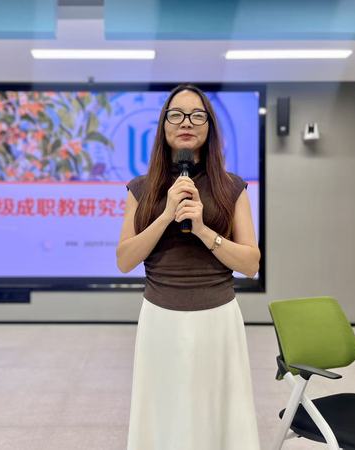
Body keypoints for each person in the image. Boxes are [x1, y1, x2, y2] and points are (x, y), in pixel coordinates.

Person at [116, 84, 261, 450]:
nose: (186, 123)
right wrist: (166, 215)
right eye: (176, 115)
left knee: (216, 414)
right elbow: (125, 260)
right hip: (160, 317)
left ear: (209, 126)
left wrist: (202, 230)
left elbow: (251, 263)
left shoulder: (232, 187)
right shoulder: (141, 189)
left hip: (218, 317)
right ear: (163, 125)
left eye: (197, 115)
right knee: (165, 414)